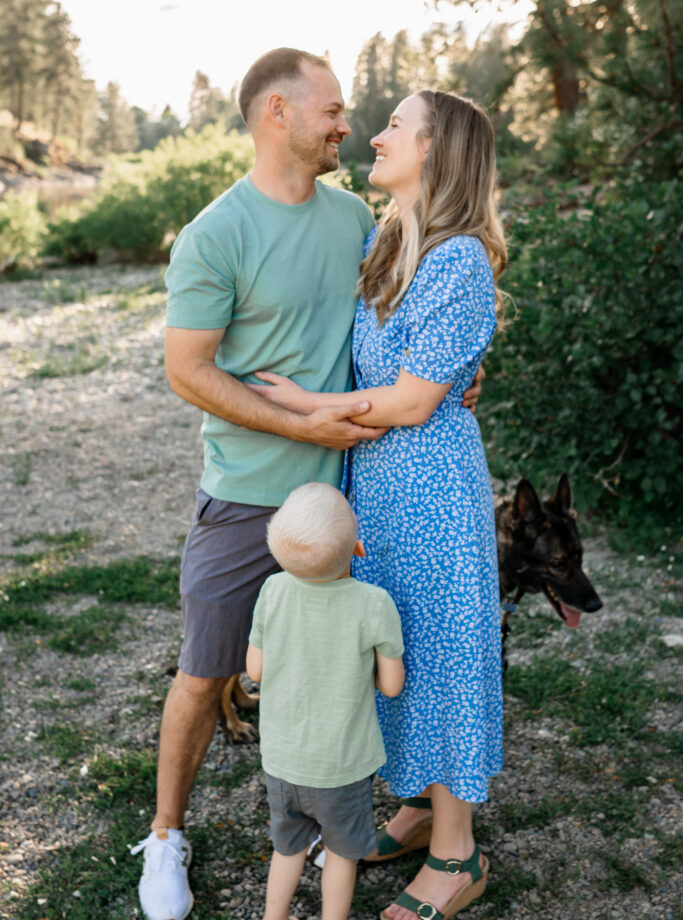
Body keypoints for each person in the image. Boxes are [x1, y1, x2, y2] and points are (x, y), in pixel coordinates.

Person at [131, 48, 482, 920]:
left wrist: (455, 377)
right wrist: (300, 423)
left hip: (360, 485)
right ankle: (166, 835)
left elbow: (421, 339)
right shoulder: (218, 232)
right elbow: (187, 370)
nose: (351, 124)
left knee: (393, 653)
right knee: (207, 669)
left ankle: (428, 828)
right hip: (251, 491)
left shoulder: (352, 219)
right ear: (277, 113)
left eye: (374, 118)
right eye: (332, 109)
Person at [248, 89, 506, 920]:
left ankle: (457, 853)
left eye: (396, 124)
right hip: (380, 487)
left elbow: (408, 403)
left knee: (437, 653)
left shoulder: (459, 257)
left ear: (436, 149)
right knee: (391, 646)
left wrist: (308, 406)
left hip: (429, 485)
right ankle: (422, 803)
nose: (374, 134)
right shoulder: (386, 236)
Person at [246, 481, 404, 920]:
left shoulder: (272, 592)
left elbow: (255, 671)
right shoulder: (374, 604)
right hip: (342, 766)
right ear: (357, 547)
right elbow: (391, 686)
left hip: (282, 761)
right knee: (340, 854)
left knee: (287, 848)